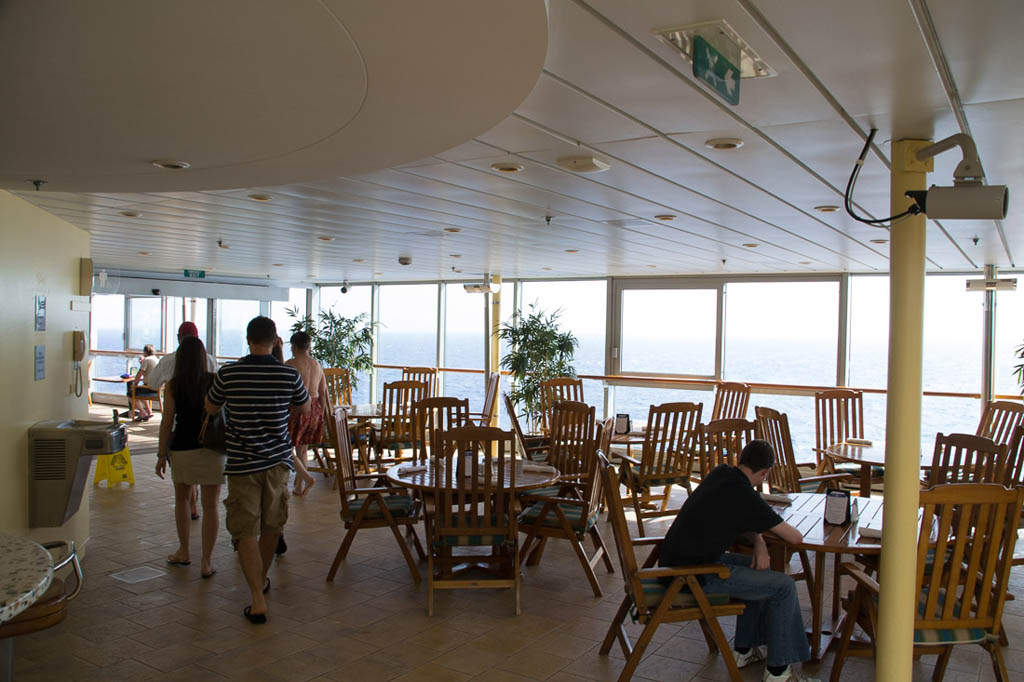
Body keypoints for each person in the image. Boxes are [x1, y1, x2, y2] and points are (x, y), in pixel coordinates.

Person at [659, 440, 817, 682]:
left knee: (759, 570)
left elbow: (745, 518)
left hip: (678, 564)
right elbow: (795, 538)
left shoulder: (722, 473)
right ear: (765, 472)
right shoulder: (745, 495)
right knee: (783, 586)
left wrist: (759, 542)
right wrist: (762, 535)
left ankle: (744, 650)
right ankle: (779, 672)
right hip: (691, 576)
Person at [206, 316, 310, 625]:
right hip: (278, 462)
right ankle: (260, 580)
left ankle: (257, 597)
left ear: (248, 339)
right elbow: (304, 407)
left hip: (242, 465)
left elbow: (211, 407)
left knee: (245, 529)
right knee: (272, 525)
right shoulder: (288, 374)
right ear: (276, 340)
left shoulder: (229, 373)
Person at [154, 336, 226, 578]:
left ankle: (184, 551)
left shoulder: (174, 385)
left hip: (182, 447)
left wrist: (161, 454)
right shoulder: (215, 381)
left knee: (182, 501)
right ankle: (206, 562)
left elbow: (166, 422)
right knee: (211, 506)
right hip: (213, 449)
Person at [150, 321, 218, 520]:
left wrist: (162, 453)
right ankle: (206, 551)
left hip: (181, 434)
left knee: (182, 492)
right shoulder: (211, 363)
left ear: (179, 339)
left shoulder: (171, 374)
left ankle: (185, 545)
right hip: (210, 435)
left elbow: (154, 385)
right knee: (212, 505)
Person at [285, 331, 329, 496]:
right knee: (302, 450)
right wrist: (322, 415)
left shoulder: (291, 364)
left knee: (285, 447)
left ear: (294, 346)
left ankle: (304, 479)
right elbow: (323, 393)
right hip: (315, 408)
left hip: (297, 408)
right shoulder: (317, 365)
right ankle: (299, 486)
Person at [148, 321, 218, 388]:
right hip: (203, 400)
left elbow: (152, 383)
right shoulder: (211, 361)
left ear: (178, 337)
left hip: (175, 400)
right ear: (197, 338)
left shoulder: (166, 361)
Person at [131, 344, 160, 421]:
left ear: (145, 352)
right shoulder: (156, 359)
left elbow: (139, 374)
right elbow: (149, 371)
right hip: (157, 388)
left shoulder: (146, 360)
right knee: (141, 390)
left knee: (131, 393)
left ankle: (142, 412)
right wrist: (142, 363)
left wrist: (134, 385)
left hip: (149, 388)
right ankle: (148, 410)